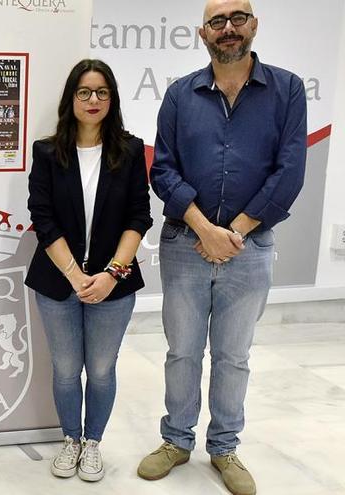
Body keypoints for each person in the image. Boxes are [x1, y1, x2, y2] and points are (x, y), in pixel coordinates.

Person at [137, 2, 306, 495]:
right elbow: (163, 170)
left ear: (253, 25)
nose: (227, 29)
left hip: (250, 248)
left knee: (233, 356)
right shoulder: (179, 95)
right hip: (185, 245)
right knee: (182, 352)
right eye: (217, 21)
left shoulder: (287, 90)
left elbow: (290, 169)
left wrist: (235, 230)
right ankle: (175, 441)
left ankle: (225, 448)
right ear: (202, 33)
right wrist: (205, 229)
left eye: (237, 18)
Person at [25, 59, 152, 483]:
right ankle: (70, 440)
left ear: (112, 99)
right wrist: (74, 276)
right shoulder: (46, 151)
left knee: (100, 369)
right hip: (56, 281)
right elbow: (41, 218)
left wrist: (112, 273)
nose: (93, 100)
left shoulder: (131, 151)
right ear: (71, 98)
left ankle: (93, 442)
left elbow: (139, 217)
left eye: (101, 92)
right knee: (65, 369)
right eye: (84, 92)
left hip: (113, 284)